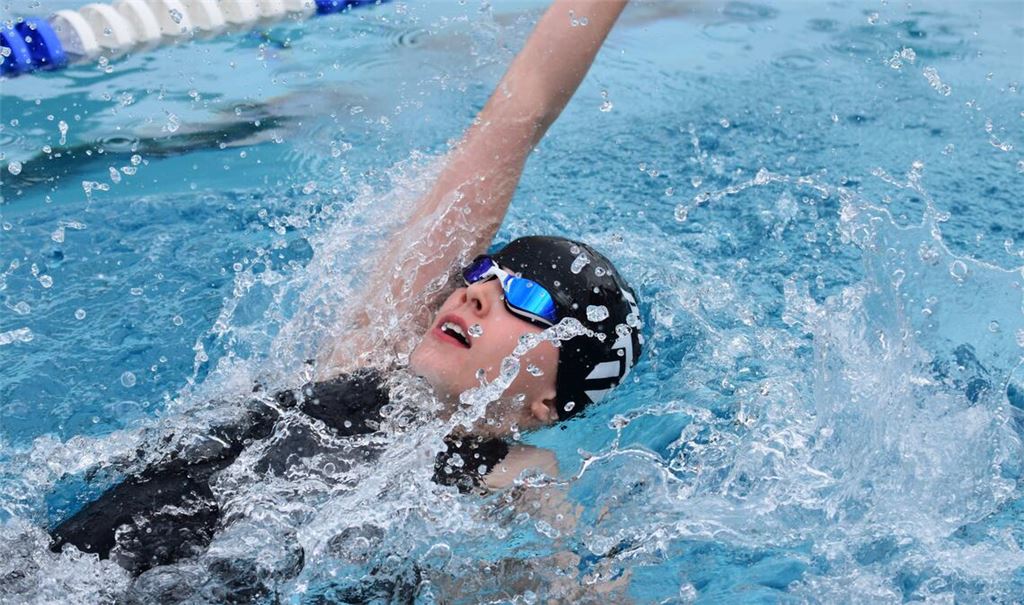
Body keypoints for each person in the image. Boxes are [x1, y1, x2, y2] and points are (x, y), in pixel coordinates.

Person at [49, 0, 642, 589]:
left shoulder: (519, 482)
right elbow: (516, 117)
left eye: (530, 302)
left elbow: (564, 584)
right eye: (485, 270)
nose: (479, 293)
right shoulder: (368, 354)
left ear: (548, 403)